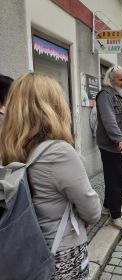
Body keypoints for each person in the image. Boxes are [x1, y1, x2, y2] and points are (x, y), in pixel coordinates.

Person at [0, 72, 101, 280]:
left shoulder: (8, 148)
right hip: (61, 251)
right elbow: (92, 210)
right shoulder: (59, 152)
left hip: (24, 250)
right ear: (54, 106)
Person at [96, 65, 122, 230]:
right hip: (111, 146)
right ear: (111, 79)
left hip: (119, 144)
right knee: (116, 180)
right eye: (120, 79)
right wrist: (119, 139)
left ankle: (107, 208)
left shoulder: (118, 95)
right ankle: (115, 217)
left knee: (112, 179)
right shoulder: (105, 95)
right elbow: (109, 119)